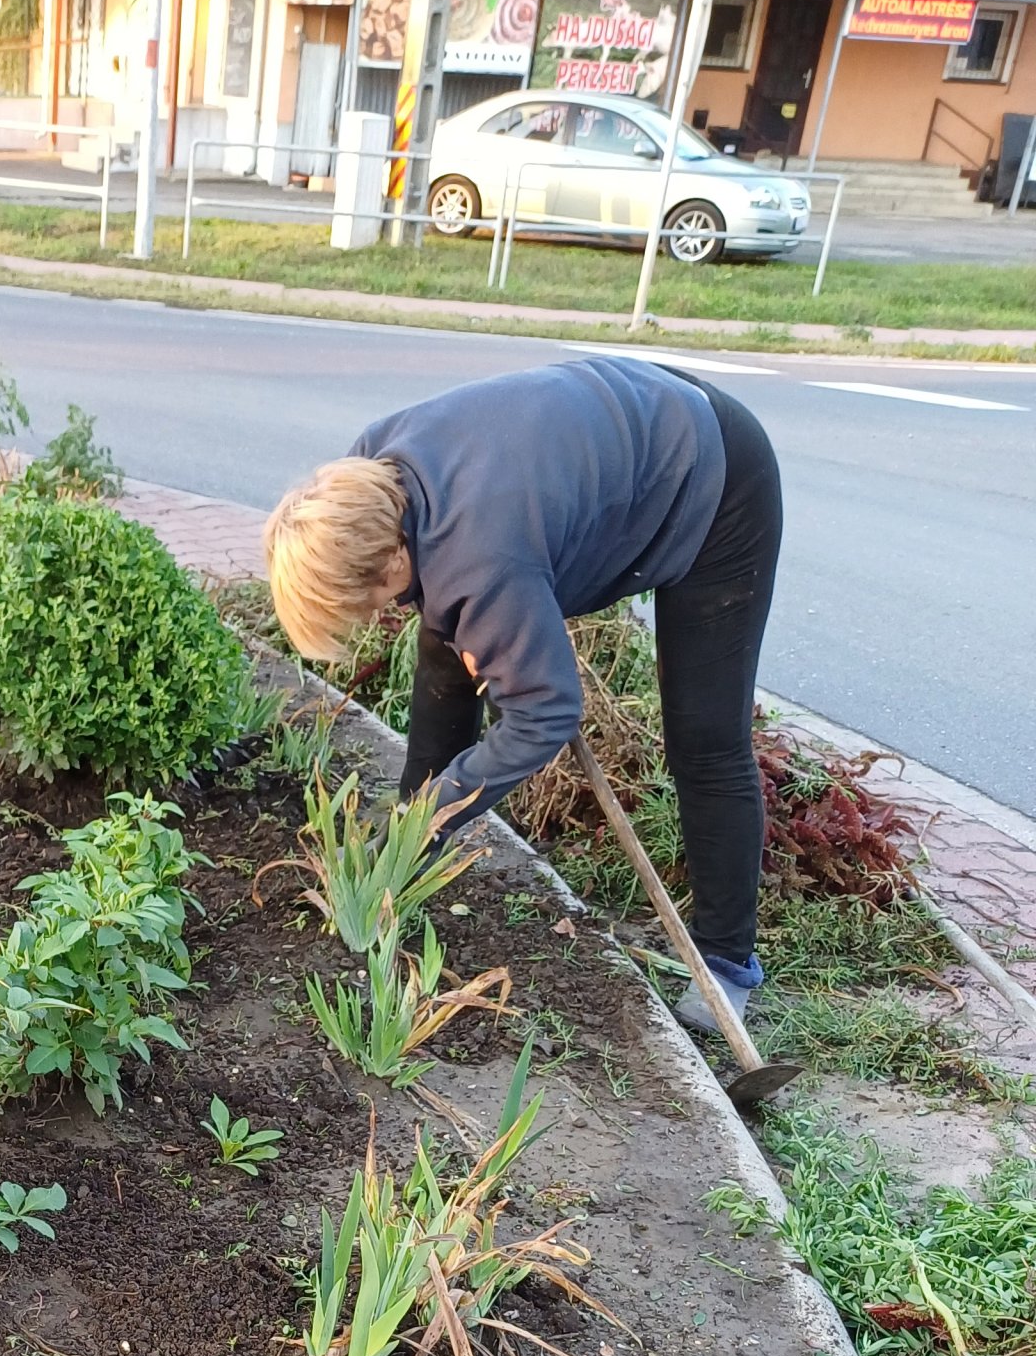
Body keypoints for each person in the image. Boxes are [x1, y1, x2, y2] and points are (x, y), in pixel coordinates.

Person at [262, 353, 783, 1033]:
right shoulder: (368, 476)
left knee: (705, 736)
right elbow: (451, 618)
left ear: (392, 558)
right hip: (630, 417)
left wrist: (446, 805)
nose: (373, 617)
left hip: (714, 477)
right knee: (446, 645)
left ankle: (726, 963)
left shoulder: (482, 558)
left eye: (366, 603)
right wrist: (413, 832)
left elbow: (544, 713)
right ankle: (409, 852)